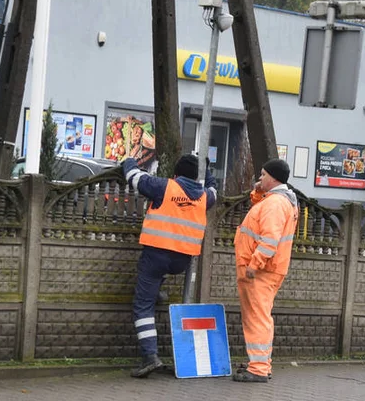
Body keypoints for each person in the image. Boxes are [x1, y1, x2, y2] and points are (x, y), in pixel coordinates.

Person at [123, 153, 218, 378]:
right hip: (182, 262)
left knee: (142, 305)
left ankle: (150, 357)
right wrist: (208, 171)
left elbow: (134, 177)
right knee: (153, 286)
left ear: (175, 175)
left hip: (156, 255)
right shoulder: (205, 196)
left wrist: (128, 160)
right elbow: (214, 189)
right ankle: (158, 293)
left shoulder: (164, 186)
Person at [232, 158, 298, 383]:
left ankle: (258, 368)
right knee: (260, 317)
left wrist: (254, 264)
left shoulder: (275, 204)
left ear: (273, 177)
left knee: (257, 319)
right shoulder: (277, 201)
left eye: (262, 175)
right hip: (267, 269)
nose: (259, 178)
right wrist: (258, 192)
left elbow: (270, 239)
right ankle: (260, 363)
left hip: (261, 271)